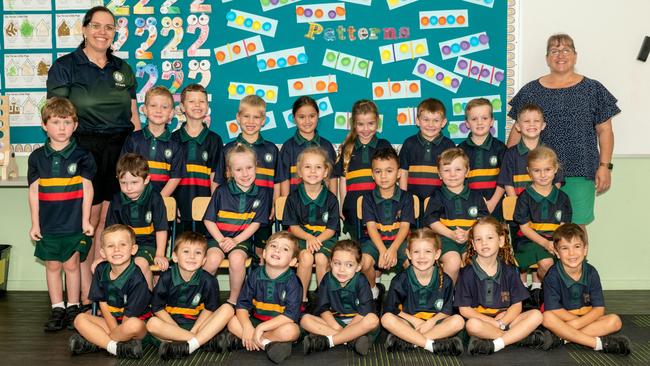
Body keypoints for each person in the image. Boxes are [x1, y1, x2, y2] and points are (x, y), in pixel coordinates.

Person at [46, 5, 140, 313]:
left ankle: (96, 290)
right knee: (87, 220)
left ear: (115, 33)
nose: (102, 31)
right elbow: (57, 112)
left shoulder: (123, 68)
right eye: (96, 26)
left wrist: (134, 155)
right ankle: (85, 293)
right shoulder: (65, 66)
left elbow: (134, 116)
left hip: (120, 148)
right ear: (85, 29)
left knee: (107, 220)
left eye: (109, 27)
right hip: (83, 148)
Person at [508, 34, 619, 234]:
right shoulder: (530, 91)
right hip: (538, 174)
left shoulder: (593, 89)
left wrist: (605, 167)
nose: (560, 55)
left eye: (566, 50)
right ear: (547, 58)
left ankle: (578, 266)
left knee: (574, 229)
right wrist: (508, 163)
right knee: (541, 229)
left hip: (580, 171)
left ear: (575, 56)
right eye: (554, 51)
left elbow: (605, 131)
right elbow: (518, 129)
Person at [28, 97, 96, 331]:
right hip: (48, 225)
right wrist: (35, 224)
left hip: (73, 224)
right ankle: (57, 307)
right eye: (56, 122)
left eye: (67, 123)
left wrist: (86, 220)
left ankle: (73, 307)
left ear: (75, 126)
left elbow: (88, 188)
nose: (62, 128)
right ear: (45, 126)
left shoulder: (83, 156)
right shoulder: (37, 157)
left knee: (72, 265)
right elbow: (34, 191)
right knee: (53, 266)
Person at [455, 217, 548, 356]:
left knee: (536, 315)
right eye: (478, 239)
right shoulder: (467, 273)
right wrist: (492, 322)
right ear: (473, 244)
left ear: (501, 240)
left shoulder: (509, 271)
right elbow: (464, 310)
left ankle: (498, 342)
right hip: (482, 323)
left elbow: (517, 306)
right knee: (472, 325)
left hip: (505, 321)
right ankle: (516, 338)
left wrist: (503, 322)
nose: (484, 243)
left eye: (490, 237)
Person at [542, 223, 631, 355]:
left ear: (585, 250)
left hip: (583, 320)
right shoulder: (553, 275)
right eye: (565, 248)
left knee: (615, 321)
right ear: (557, 253)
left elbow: (599, 309)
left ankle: (562, 338)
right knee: (547, 317)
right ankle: (598, 344)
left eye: (577, 246)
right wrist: (576, 321)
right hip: (564, 320)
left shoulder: (592, 272)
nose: (571, 253)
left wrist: (575, 325)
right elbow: (554, 310)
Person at [146, 231, 234, 360]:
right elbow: (157, 308)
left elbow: (210, 309)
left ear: (204, 260)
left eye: (198, 253)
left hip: (199, 326)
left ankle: (188, 344)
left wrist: (194, 331)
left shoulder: (208, 280)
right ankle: (200, 341)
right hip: (171, 326)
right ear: (175, 257)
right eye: (186, 252)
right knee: (151, 324)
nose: (192, 257)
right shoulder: (166, 277)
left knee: (228, 309)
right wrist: (177, 330)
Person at [220, 231, 302, 364]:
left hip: (279, 325)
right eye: (273, 246)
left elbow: (290, 316)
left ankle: (250, 340)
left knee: (292, 331)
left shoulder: (293, 281)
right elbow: (242, 305)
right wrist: (247, 327)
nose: (277, 250)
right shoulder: (255, 275)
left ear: (293, 261)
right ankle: (267, 344)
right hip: (256, 321)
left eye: (285, 249)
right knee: (232, 321)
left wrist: (260, 329)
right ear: (264, 253)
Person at [203, 144, 271, 304]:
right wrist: (221, 240)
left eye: (249, 168)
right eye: (239, 169)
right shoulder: (221, 191)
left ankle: (234, 301)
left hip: (241, 240)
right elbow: (208, 220)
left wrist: (235, 241)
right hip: (217, 238)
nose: (245, 174)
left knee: (237, 259)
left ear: (256, 168)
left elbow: (256, 223)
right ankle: (202, 298)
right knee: (212, 260)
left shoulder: (262, 193)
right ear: (230, 172)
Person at [70, 224, 150, 359]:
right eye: (110, 246)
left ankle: (96, 342)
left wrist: (118, 331)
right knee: (79, 319)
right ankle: (114, 347)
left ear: (133, 249)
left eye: (123, 244)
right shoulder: (101, 270)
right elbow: (103, 303)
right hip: (112, 323)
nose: (116, 250)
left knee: (133, 325)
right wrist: (114, 330)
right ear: (103, 253)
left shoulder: (137, 278)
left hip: (134, 325)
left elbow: (129, 319)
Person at [381, 228, 464, 356]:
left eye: (428, 251)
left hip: (434, 324)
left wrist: (430, 323)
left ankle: (410, 341)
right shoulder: (400, 280)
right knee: (386, 319)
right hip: (409, 324)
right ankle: (431, 345)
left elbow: (447, 311)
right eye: (416, 252)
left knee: (458, 321)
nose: (422, 257)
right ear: (408, 254)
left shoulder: (445, 280)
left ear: (437, 254)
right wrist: (415, 322)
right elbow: (391, 310)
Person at [224, 95, 280, 261]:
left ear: (263, 120)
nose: (251, 121)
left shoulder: (271, 149)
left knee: (261, 254)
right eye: (246, 116)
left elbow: (277, 181)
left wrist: (275, 204)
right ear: (238, 118)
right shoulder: (228, 149)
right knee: (239, 253)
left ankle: (258, 286)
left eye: (256, 117)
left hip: (263, 212)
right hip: (235, 214)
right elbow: (222, 183)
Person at [301, 240, 380, 356]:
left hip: (358, 323)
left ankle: (329, 341)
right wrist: (337, 327)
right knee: (305, 319)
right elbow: (323, 308)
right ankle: (351, 341)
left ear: (358, 267)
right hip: (336, 322)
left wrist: (351, 328)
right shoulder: (327, 279)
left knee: (373, 319)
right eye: (337, 263)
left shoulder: (361, 280)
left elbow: (364, 311)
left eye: (349, 265)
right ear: (331, 263)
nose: (342, 269)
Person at [283, 147, 340, 305]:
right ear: (300, 171)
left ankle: (324, 300)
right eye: (308, 167)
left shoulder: (331, 199)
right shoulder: (293, 198)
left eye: (318, 167)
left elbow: (332, 229)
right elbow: (293, 226)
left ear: (326, 172)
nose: (313, 171)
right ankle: (300, 299)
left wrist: (317, 240)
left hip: (325, 239)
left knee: (322, 258)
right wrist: (308, 237)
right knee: (306, 258)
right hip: (301, 238)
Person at [423, 148, 489, 283]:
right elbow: (431, 220)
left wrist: (468, 234)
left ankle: (469, 296)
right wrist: (451, 234)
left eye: (458, 170)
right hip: (445, 239)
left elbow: (484, 222)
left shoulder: (476, 197)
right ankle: (449, 296)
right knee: (453, 262)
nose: (452, 174)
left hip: (471, 240)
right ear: (439, 174)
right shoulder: (437, 196)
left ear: (467, 172)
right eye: (447, 170)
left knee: (475, 263)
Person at [105, 153, 169, 289]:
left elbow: (161, 229)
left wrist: (160, 254)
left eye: (134, 182)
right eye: (123, 183)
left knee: (139, 263)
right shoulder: (117, 199)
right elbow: (110, 231)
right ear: (118, 180)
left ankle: (145, 300)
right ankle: (120, 301)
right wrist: (105, 252)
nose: (129, 188)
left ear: (146, 180)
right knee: (106, 264)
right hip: (123, 246)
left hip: (148, 246)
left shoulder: (155, 198)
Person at [359, 147, 414, 303]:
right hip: (376, 243)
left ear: (398, 174)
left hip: (399, 242)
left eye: (389, 171)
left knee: (414, 261)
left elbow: (405, 227)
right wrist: (383, 250)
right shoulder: (368, 198)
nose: (383, 176)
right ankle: (373, 290)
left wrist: (393, 249)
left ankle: (408, 295)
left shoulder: (406, 197)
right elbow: (370, 227)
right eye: (378, 171)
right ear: (372, 174)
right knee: (364, 261)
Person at [335, 100, 392, 240]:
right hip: (353, 208)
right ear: (354, 124)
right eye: (360, 124)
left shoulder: (384, 145)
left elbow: (392, 176)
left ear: (377, 122)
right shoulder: (347, 147)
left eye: (370, 124)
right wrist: (342, 204)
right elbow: (343, 179)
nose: (366, 129)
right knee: (360, 248)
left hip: (379, 207)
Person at [172, 84, 224, 235]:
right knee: (182, 250)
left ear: (207, 106)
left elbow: (216, 176)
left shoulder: (215, 140)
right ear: (182, 107)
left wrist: (214, 207)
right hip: (180, 207)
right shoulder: (173, 139)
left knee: (205, 250)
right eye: (192, 101)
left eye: (202, 102)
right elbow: (169, 177)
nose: (197, 105)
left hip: (206, 208)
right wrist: (171, 204)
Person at [513, 146, 572, 282]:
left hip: (555, 241)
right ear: (529, 172)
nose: (543, 175)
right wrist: (545, 243)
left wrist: (557, 244)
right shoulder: (525, 197)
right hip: (530, 241)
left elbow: (563, 228)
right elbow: (524, 228)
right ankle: (551, 293)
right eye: (537, 171)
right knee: (546, 263)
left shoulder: (563, 198)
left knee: (571, 258)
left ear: (555, 169)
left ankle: (547, 292)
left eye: (547, 169)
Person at [121, 86, 183, 196]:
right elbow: (124, 171)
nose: (158, 110)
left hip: (163, 202)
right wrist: (137, 196)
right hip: (135, 201)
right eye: (153, 105)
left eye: (164, 107)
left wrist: (158, 200)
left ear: (171, 113)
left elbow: (176, 177)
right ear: (144, 109)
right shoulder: (133, 139)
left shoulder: (176, 144)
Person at [398, 98, 455, 204]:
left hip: (440, 201)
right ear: (417, 121)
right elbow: (403, 173)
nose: (430, 124)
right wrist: (403, 200)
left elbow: (453, 175)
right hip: (412, 200)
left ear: (443, 123)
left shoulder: (449, 145)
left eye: (436, 120)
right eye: (426, 120)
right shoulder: (409, 143)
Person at [498, 103, 562, 197]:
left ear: (543, 125)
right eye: (527, 121)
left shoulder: (550, 152)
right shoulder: (510, 154)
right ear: (518, 126)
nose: (532, 124)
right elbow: (508, 183)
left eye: (536, 121)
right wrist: (516, 205)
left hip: (544, 206)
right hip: (519, 207)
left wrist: (549, 199)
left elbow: (557, 181)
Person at [278, 96, 337, 196]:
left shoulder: (327, 146)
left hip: (322, 207)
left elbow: (332, 179)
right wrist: (285, 206)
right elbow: (284, 180)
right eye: (302, 117)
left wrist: (333, 205)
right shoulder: (288, 147)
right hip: (295, 208)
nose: (307, 121)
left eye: (312, 116)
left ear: (318, 116)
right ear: (294, 118)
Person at [458, 98, 506, 218]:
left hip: (495, 206)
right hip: (467, 206)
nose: (479, 123)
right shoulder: (460, 150)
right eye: (474, 119)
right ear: (467, 123)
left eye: (484, 118)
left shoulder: (500, 148)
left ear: (491, 121)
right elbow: (458, 180)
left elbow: (505, 179)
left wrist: (493, 202)